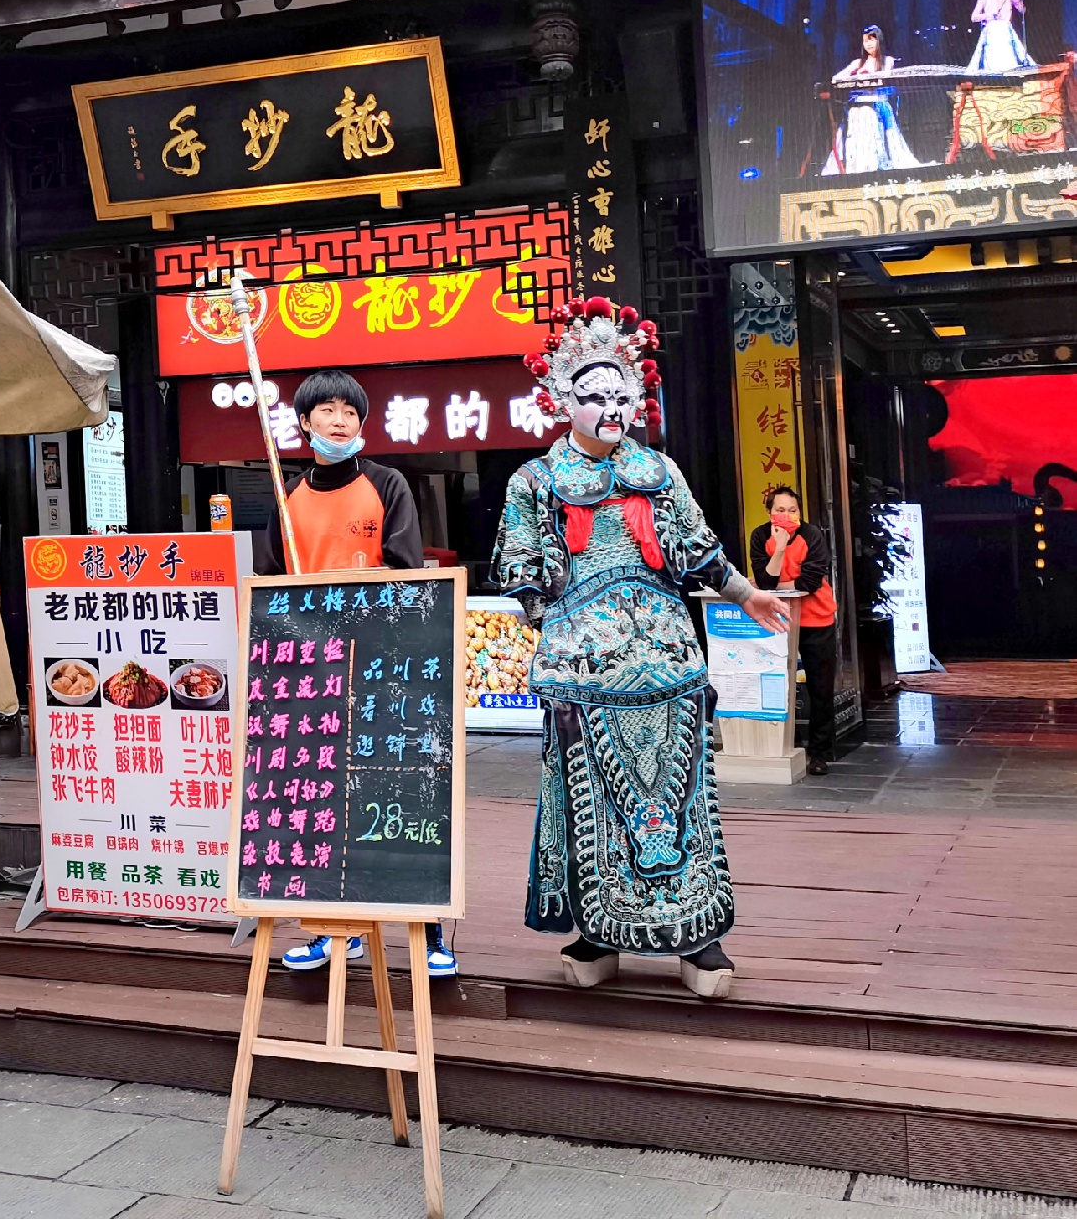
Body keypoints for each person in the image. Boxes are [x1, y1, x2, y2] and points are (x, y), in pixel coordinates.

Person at [492, 297, 790, 1000]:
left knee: (685, 792)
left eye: (621, 396)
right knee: (588, 796)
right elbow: (519, 571)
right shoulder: (533, 483)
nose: (610, 408)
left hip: (669, 661)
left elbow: (699, 549)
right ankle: (599, 930)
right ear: (562, 400)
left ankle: (696, 932)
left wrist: (747, 594)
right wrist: (559, 625)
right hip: (583, 670)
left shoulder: (661, 472)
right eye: (594, 396)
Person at [253, 370, 458, 979]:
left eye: (351, 412)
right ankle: (329, 932)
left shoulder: (387, 484)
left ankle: (427, 933)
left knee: (401, 793)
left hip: (383, 669)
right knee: (320, 801)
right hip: (310, 676)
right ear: (304, 423)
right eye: (328, 411)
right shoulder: (287, 495)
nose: (340, 421)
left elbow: (406, 572)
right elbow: (271, 588)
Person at [749, 487, 840, 776]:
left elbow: (810, 582)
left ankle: (820, 752)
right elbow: (765, 581)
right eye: (780, 510)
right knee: (777, 684)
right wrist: (779, 548)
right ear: (769, 512)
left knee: (820, 688)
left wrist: (773, 584)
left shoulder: (812, 535)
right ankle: (786, 744)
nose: (787, 516)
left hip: (817, 620)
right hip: (777, 621)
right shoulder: (760, 536)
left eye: (793, 510)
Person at [822, 26, 925, 175]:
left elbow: (885, 79)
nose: (868, 44)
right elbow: (836, 78)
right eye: (865, 41)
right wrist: (855, 76)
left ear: (879, 40)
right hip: (858, 105)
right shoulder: (858, 63)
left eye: (871, 40)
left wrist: (868, 76)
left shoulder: (887, 61)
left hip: (877, 103)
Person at [967, 0, 1033, 74]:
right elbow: (974, 17)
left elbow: (1022, 10)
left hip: (1005, 31)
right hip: (991, 32)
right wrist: (990, 16)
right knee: (991, 63)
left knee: (1008, 61)